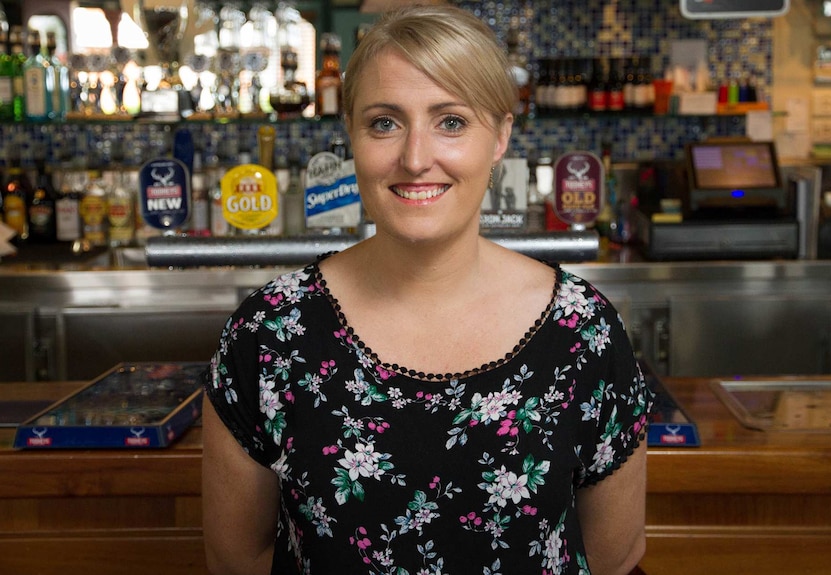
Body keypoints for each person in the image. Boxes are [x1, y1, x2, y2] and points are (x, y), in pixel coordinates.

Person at [201, 5, 653, 575]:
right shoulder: (268, 334)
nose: (416, 159)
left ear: (500, 138)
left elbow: (611, 554)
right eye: (384, 123)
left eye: (452, 122)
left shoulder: (584, 332)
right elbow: (236, 558)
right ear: (352, 138)